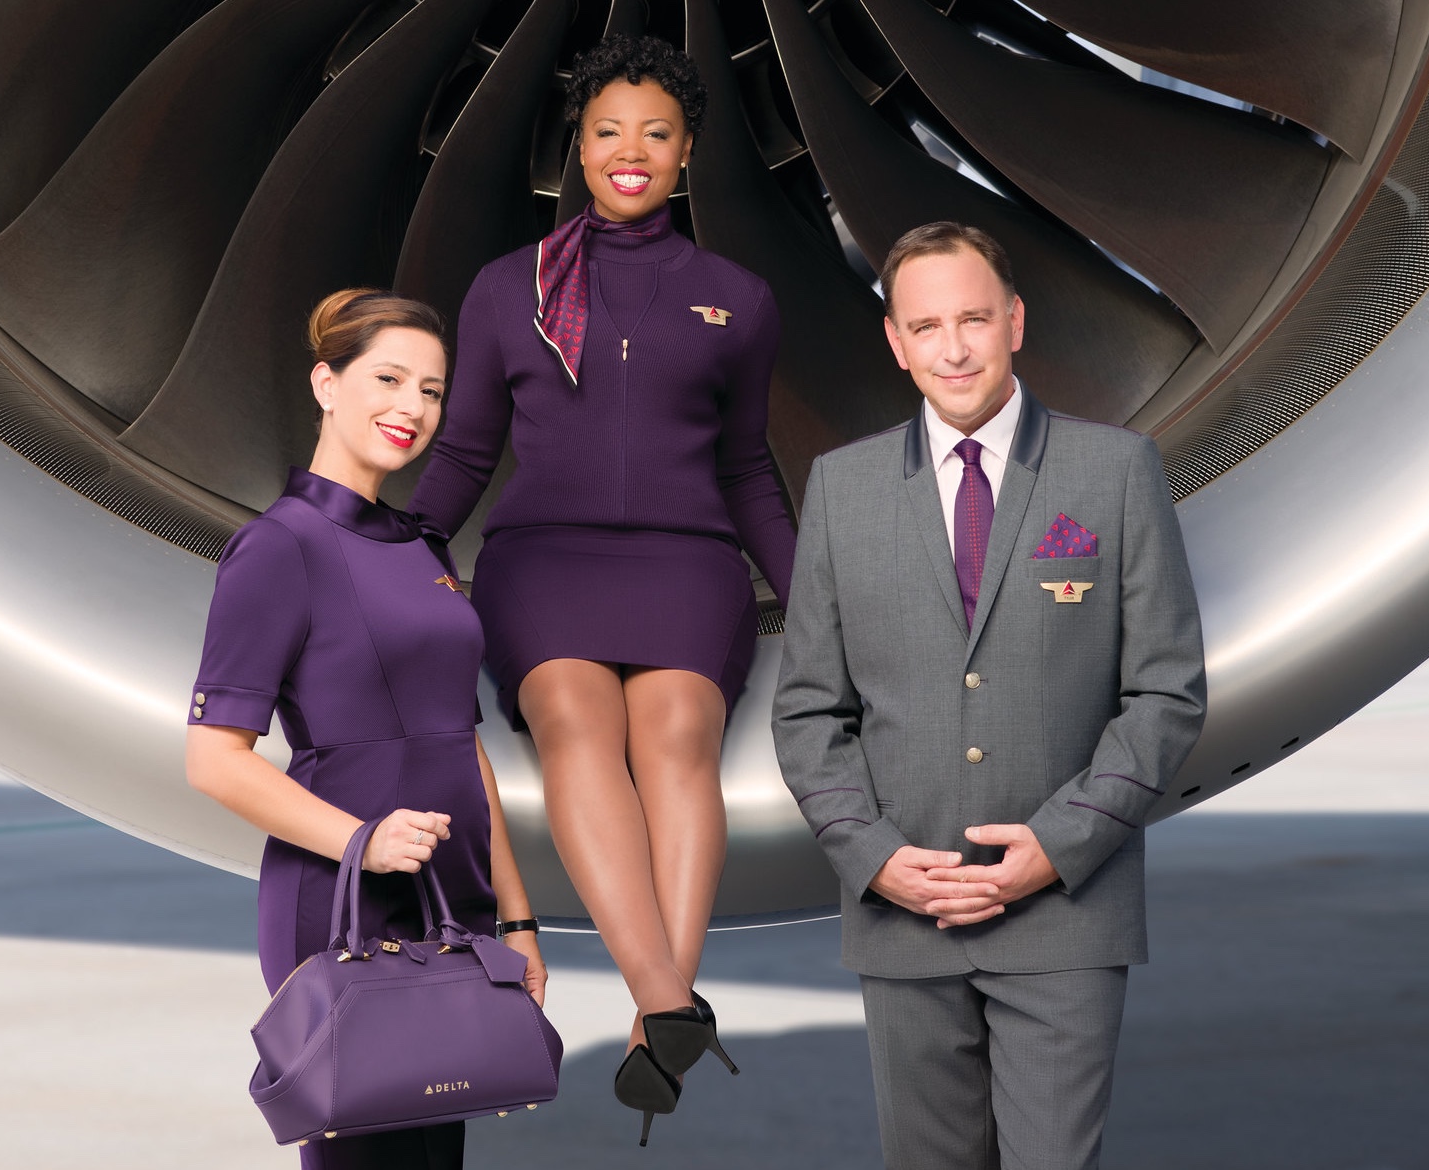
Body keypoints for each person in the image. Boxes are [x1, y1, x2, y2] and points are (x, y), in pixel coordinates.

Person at [408, 34, 794, 1144]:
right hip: (546, 559)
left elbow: (747, 469)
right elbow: (466, 450)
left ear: (687, 153)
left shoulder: (738, 299)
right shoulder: (508, 289)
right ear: (577, 150)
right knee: (578, 723)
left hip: (687, 558)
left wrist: (811, 595)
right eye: (609, 131)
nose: (632, 151)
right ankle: (667, 1002)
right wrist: (401, 548)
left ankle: (659, 1012)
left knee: (677, 735)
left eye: (656, 133)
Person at [772, 222, 1207, 1170]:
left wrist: (1062, 843)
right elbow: (808, 711)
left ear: (1014, 321)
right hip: (903, 913)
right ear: (896, 343)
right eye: (926, 327)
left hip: (1065, 913)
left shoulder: (1115, 469)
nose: (954, 348)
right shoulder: (841, 489)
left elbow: (1165, 692)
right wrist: (874, 857)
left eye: (973, 319)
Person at [186, 289, 546, 1170]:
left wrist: (517, 917)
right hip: (343, 895)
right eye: (388, 379)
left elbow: (462, 744)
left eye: (432, 390)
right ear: (326, 384)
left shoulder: (423, 547)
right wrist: (364, 843)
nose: (411, 407)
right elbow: (215, 759)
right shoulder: (279, 546)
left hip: (450, 897)